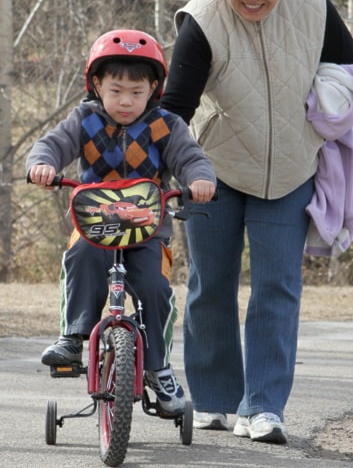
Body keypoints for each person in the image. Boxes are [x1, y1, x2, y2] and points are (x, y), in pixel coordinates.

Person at [160, 0, 353, 443]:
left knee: (278, 287)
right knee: (211, 284)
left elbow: (352, 70)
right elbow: (175, 109)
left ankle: (264, 406)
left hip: (292, 168)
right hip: (214, 169)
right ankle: (212, 399)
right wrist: (150, 171)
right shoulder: (203, 19)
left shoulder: (314, 6)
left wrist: (332, 100)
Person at [26, 29, 216, 415]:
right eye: (115, 90)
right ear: (96, 84)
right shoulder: (84, 119)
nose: (125, 101)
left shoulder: (166, 125)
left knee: (155, 287)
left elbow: (191, 158)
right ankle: (73, 337)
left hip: (147, 228)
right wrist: (42, 165)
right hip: (95, 224)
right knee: (80, 256)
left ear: (153, 88)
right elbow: (50, 145)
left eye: (136, 91)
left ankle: (159, 366)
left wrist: (200, 180)